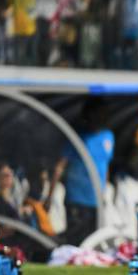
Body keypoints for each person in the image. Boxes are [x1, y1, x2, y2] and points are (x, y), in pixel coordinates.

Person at [51, 98, 115, 246]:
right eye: (97, 113)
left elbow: (105, 166)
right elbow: (60, 166)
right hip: (77, 198)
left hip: (97, 199)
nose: (100, 117)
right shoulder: (77, 138)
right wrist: (50, 195)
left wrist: (104, 192)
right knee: (76, 240)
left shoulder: (108, 136)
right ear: (89, 114)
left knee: (93, 240)